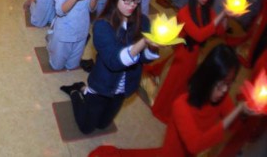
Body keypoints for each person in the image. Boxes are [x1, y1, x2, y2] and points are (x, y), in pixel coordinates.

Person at [89, 44, 257, 157]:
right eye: (221, 84)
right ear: (208, 79)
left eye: (229, 84)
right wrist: (237, 111)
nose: (225, 90)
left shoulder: (222, 98)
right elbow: (195, 144)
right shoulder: (182, 104)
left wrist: (245, 110)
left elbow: (232, 126)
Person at [60, 0, 159, 134]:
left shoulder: (143, 22)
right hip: (102, 86)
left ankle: (84, 90)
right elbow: (114, 62)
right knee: (87, 128)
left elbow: (144, 59)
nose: (132, 5)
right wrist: (143, 42)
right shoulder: (102, 25)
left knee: (102, 124)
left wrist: (153, 48)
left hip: (123, 88)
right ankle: (75, 91)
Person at [151, 0, 231, 123]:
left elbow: (220, 31)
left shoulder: (208, 11)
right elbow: (199, 35)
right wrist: (221, 15)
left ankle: (174, 111)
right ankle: (162, 111)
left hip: (195, 56)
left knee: (184, 86)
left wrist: (226, 15)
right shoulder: (184, 12)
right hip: (183, 54)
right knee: (173, 85)